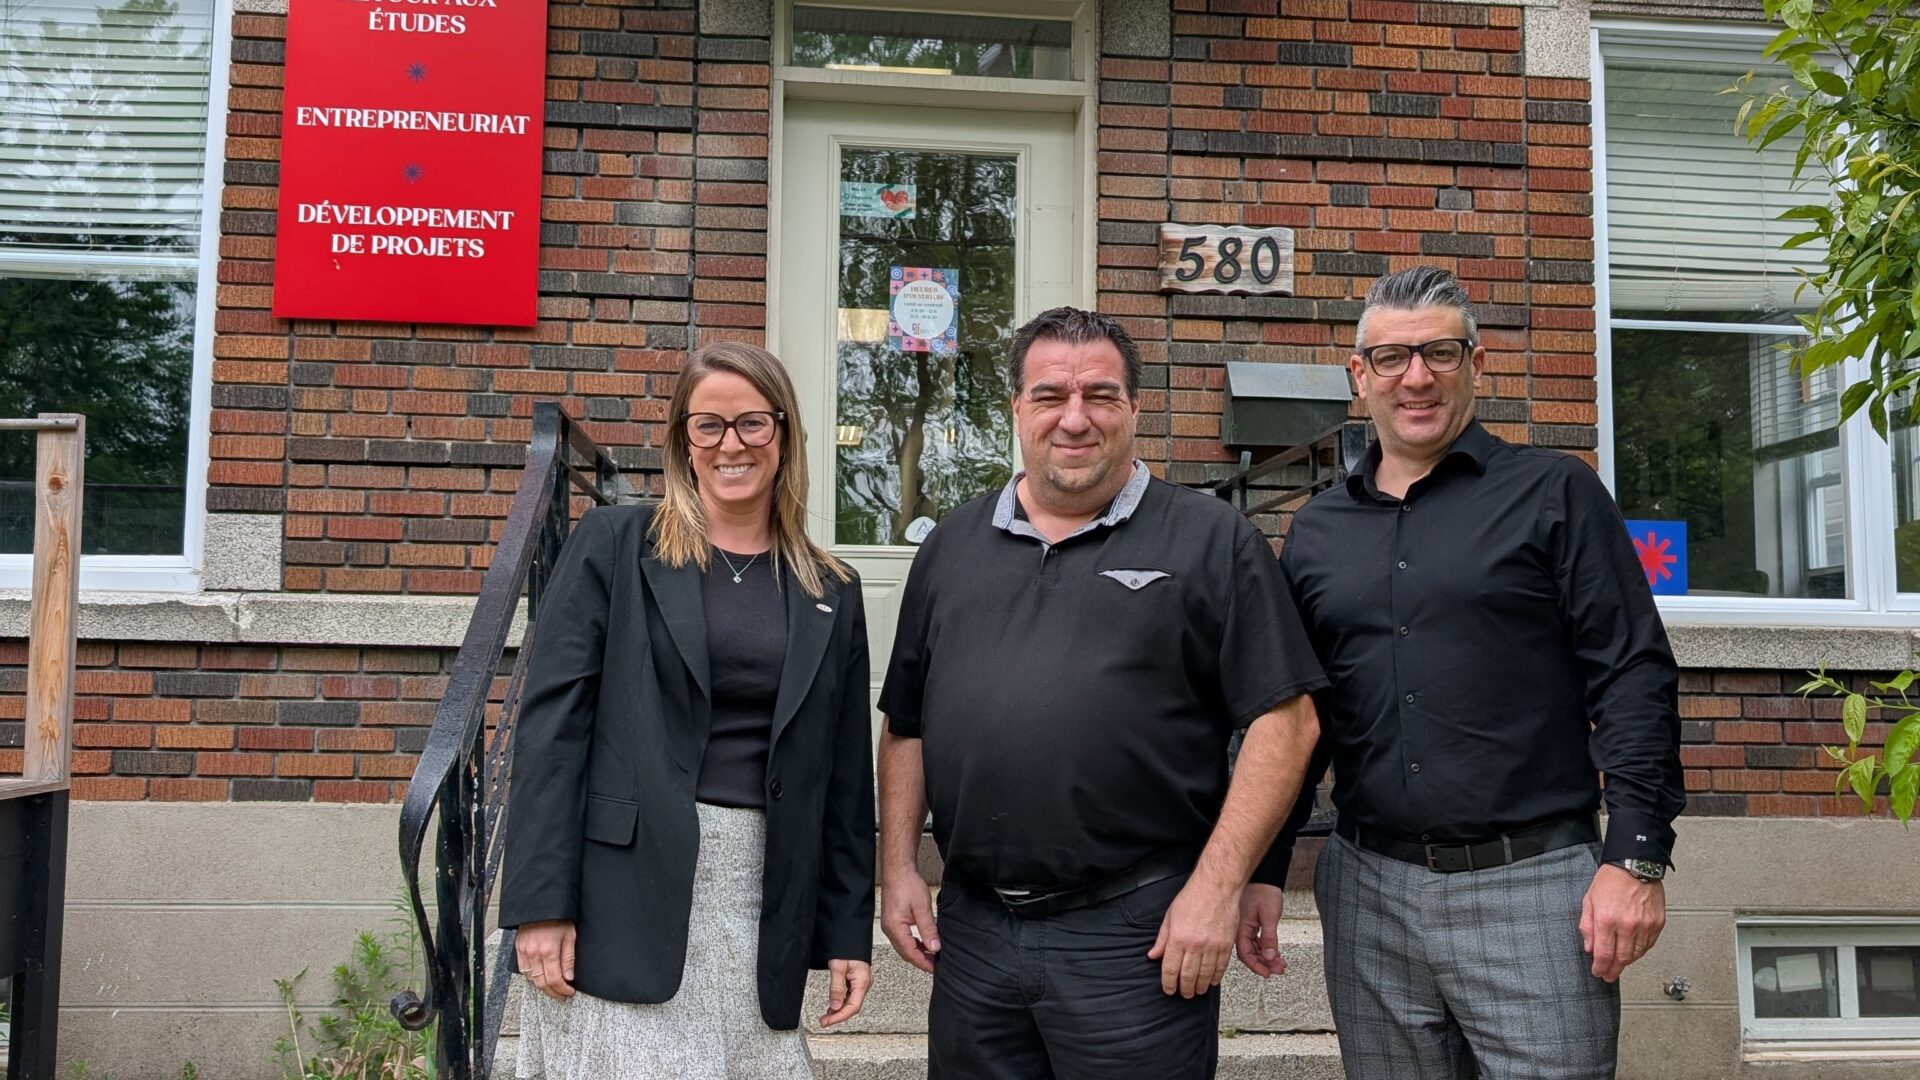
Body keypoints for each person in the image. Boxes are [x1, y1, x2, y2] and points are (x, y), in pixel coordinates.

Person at [877, 307, 1326, 1080]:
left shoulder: (1212, 541)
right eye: (1050, 396)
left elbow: (1286, 724)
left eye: (1101, 396)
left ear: (1135, 408)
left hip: (1137, 933)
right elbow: (908, 725)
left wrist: (1218, 890)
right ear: (1015, 408)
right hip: (976, 935)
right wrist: (897, 869)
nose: (1074, 419)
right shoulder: (951, 545)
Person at [1261, 266, 1685, 1078]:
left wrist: (1635, 856)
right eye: (1391, 358)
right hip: (1368, 891)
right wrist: (1265, 869)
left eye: (1440, 353)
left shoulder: (1555, 493)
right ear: (1360, 376)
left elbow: (1633, 673)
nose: (1416, 377)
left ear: (1477, 365)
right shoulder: (1317, 529)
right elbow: (1300, 717)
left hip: (1532, 887)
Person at [498, 342, 876, 1079]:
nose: (730, 445)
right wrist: (540, 903)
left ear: (784, 434)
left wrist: (847, 932)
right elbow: (551, 730)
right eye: (708, 426)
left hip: (761, 895)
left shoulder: (832, 586)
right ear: (683, 442)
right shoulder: (615, 545)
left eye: (751, 425)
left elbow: (843, 778)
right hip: (623, 891)